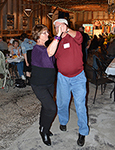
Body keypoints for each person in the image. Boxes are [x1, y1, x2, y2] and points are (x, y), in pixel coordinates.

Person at [53, 18, 89, 147]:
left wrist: (67, 30)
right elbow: (53, 55)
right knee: (62, 103)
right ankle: (63, 121)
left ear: (65, 25)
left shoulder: (74, 36)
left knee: (80, 105)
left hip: (78, 77)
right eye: (56, 27)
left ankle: (83, 131)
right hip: (63, 77)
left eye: (60, 26)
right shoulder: (56, 41)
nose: (58, 29)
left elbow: (80, 37)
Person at [30, 24, 62, 146]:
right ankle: (44, 131)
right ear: (38, 36)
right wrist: (58, 35)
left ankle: (43, 127)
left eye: (47, 32)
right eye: (45, 33)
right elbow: (49, 53)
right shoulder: (37, 49)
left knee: (46, 107)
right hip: (39, 85)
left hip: (49, 83)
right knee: (51, 108)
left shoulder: (45, 46)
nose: (48, 34)